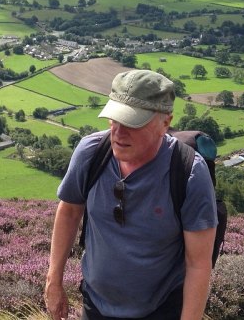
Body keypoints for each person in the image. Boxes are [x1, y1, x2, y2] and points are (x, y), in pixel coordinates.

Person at [46, 69, 218, 320]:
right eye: (114, 119)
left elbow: (198, 264)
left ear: (165, 123)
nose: (118, 132)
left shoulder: (189, 173)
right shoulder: (91, 153)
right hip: (95, 307)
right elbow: (70, 211)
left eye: (132, 123)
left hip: (160, 311)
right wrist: (54, 281)